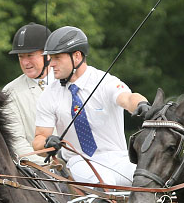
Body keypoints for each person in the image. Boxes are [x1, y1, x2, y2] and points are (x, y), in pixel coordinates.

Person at [31, 26, 150, 186]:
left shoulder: (104, 81)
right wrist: (47, 143)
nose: (51, 64)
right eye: (51, 58)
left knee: (149, 180)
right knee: (103, 183)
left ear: (77, 56)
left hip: (118, 159)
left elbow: (128, 98)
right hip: (79, 162)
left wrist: (141, 105)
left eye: (57, 58)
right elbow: (39, 139)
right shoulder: (49, 94)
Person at [3, 22, 52, 164]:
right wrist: (51, 167)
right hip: (40, 173)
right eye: (20, 57)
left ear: (47, 54)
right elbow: (16, 143)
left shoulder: (71, 82)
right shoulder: (9, 92)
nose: (25, 63)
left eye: (30, 55)